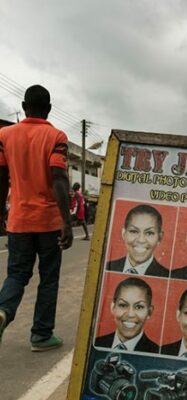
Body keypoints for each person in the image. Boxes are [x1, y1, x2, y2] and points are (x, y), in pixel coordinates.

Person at [0, 85, 73, 351]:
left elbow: (0, 179)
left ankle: (3, 312)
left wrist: (0, 213)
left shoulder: (4, 135)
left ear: (23, 106)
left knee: (17, 275)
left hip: (18, 221)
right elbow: (58, 178)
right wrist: (66, 221)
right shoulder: (56, 136)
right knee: (49, 278)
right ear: (49, 109)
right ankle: (41, 335)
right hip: (48, 222)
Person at [95, 277, 158, 353]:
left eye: (139, 307)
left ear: (149, 312)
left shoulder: (156, 351)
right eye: (123, 305)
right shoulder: (96, 343)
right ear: (113, 307)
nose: (130, 314)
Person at [107, 204, 169, 277]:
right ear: (123, 233)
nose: (141, 240)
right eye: (134, 231)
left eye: (149, 233)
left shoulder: (166, 275)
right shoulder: (108, 267)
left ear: (160, 237)